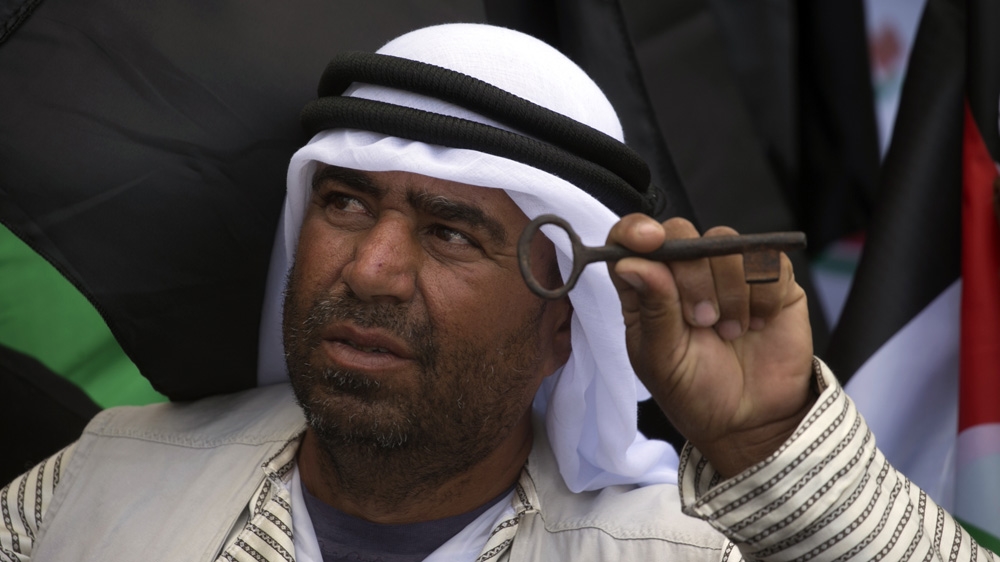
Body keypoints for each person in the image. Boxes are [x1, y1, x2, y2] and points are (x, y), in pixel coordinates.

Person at [1, 23, 992, 562]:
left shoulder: (680, 552)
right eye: (345, 205)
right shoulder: (96, 484)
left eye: (449, 232)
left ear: (566, 318)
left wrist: (769, 446)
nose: (370, 269)